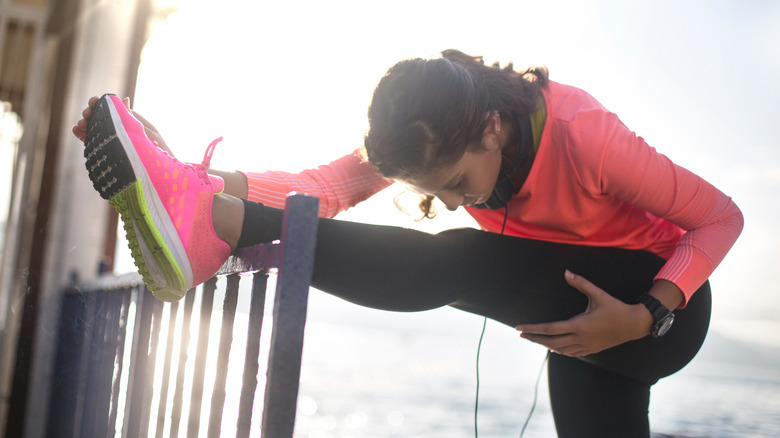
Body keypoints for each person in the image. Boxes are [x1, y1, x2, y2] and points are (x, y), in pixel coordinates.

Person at [73, 49, 742, 437]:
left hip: (659, 309)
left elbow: (720, 217)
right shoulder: (429, 129)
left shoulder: (585, 136)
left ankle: (220, 228)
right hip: (581, 323)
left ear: (490, 130)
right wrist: (200, 177)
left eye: (455, 183)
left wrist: (646, 314)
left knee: (461, 258)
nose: (452, 200)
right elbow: (323, 186)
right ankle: (198, 199)